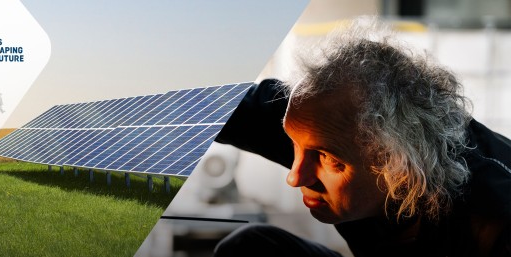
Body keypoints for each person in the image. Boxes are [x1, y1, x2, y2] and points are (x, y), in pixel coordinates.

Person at [214, 17, 511, 257]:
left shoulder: (491, 221)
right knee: (251, 247)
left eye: (327, 158)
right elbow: (200, 107)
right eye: (294, 144)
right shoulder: (320, 120)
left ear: (397, 165)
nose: (296, 177)